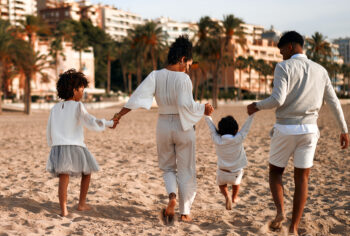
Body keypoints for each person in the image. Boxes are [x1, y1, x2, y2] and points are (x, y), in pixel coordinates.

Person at [247, 31, 349, 235]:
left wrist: (256, 106)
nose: (281, 54)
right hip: (310, 130)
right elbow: (333, 102)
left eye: (282, 50)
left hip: (285, 128)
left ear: (291, 47)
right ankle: (293, 227)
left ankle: (280, 212)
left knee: (275, 172)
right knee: (302, 178)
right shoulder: (321, 70)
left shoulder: (284, 67)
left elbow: (277, 100)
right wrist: (344, 130)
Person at [112, 36, 214, 223]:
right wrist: (203, 109)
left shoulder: (155, 75)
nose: (188, 69)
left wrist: (119, 115)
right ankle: (185, 213)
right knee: (186, 170)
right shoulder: (183, 78)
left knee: (168, 168)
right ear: (183, 59)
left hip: (163, 125)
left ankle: (172, 197)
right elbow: (186, 105)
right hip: (183, 127)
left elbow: (136, 97)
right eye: (189, 65)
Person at [46, 69, 115, 217]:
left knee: (64, 177)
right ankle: (81, 203)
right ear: (74, 90)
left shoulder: (55, 108)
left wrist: (52, 144)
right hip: (76, 145)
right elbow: (90, 120)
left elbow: (49, 128)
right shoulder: (78, 106)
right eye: (81, 89)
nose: (82, 92)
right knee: (87, 172)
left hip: (58, 147)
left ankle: (63, 209)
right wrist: (108, 123)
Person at [205, 114, 254, 210]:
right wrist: (251, 115)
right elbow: (246, 128)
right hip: (236, 172)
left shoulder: (217, 140)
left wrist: (208, 116)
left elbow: (212, 129)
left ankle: (226, 195)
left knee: (222, 185)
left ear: (220, 130)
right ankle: (234, 197)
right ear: (236, 130)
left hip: (222, 171)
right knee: (236, 183)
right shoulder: (238, 139)